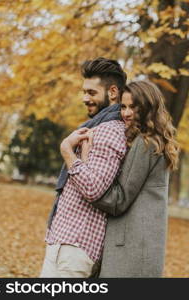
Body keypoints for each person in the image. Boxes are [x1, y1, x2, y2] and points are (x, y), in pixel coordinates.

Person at [81, 80, 180, 277]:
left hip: (130, 250)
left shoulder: (145, 144)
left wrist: (84, 166)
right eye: (123, 107)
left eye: (133, 107)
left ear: (148, 108)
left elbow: (118, 200)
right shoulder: (156, 142)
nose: (126, 113)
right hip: (142, 246)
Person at [40, 57, 128, 277]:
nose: (84, 98)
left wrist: (67, 152)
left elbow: (93, 189)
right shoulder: (95, 128)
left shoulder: (109, 131)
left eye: (91, 92)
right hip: (65, 240)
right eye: (84, 92)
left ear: (113, 92)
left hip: (76, 245)